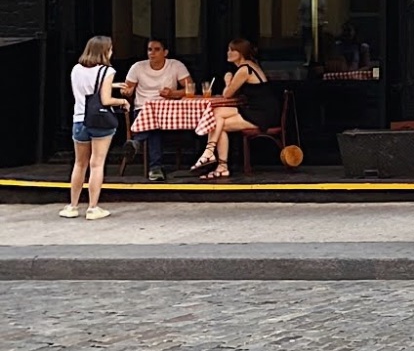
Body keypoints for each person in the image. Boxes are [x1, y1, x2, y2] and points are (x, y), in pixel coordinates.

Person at [193, 39, 281, 181]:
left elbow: (227, 94)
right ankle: (213, 157)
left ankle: (217, 161)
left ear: (241, 53)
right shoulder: (249, 65)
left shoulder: (244, 69)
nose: (228, 53)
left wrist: (228, 80)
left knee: (218, 125)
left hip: (262, 114)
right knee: (217, 113)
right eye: (229, 49)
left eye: (232, 50)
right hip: (256, 109)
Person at [62, 36, 128, 220]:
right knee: (97, 164)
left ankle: (72, 206)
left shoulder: (76, 69)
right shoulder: (107, 71)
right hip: (99, 122)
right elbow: (106, 100)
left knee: (79, 164)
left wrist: (112, 85)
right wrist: (122, 101)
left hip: (79, 120)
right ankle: (92, 207)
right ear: (105, 51)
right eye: (110, 49)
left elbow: (87, 87)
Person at [120, 38, 193, 182]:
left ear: (165, 52)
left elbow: (190, 88)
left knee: (154, 125)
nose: (152, 53)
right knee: (154, 128)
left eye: (157, 49)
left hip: (169, 112)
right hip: (143, 110)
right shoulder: (138, 67)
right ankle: (155, 168)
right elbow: (127, 89)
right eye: (149, 49)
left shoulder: (175, 65)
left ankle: (136, 142)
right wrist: (126, 92)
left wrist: (172, 93)